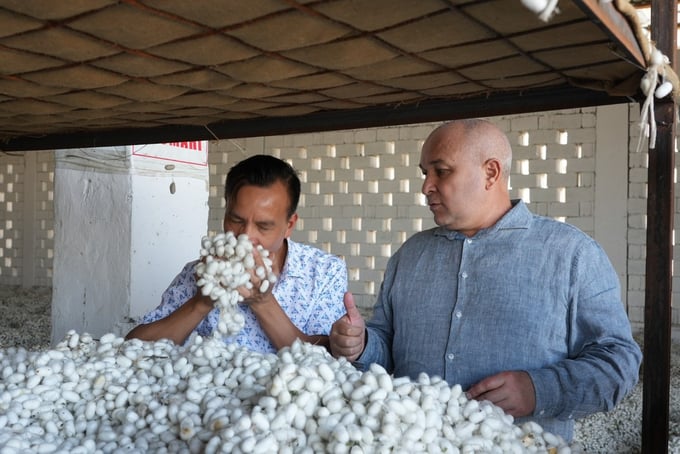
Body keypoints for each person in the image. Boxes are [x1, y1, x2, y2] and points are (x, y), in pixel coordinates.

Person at [329, 119, 642, 442]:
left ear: (491, 173)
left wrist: (539, 389)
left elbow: (619, 362)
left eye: (442, 171)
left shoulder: (571, 255)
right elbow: (389, 347)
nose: (426, 187)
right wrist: (362, 344)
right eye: (425, 173)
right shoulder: (410, 256)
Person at [127, 154, 348, 353]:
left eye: (263, 226)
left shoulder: (324, 272)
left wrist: (262, 302)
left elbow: (329, 358)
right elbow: (132, 348)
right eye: (236, 220)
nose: (245, 236)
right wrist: (201, 302)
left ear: (289, 224)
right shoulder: (198, 273)